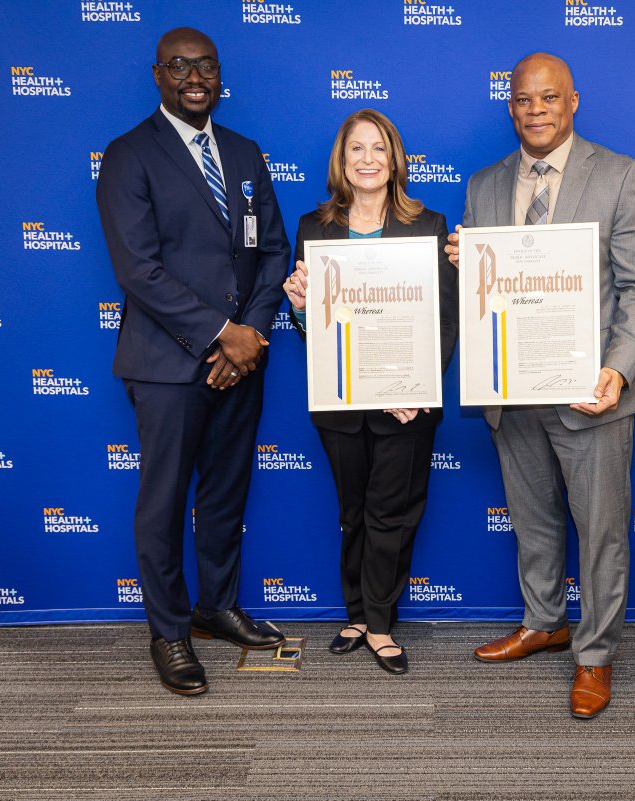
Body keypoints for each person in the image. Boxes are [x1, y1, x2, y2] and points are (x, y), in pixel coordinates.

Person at [445, 53, 635, 718]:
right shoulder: (484, 185)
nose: (535, 110)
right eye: (523, 99)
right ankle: (544, 621)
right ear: (509, 106)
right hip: (512, 394)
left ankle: (594, 657)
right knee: (535, 523)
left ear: (574, 101)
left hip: (590, 395)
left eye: (548, 98)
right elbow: (490, 295)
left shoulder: (621, 176)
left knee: (599, 534)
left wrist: (617, 368)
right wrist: (465, 266)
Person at [96, 27, 291, 696]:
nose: (194, 76)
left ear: (219, 73)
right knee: (164, 501)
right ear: (158, 75)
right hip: (165, 364)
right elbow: (138, 270)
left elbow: (273, 253)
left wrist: (249, 338)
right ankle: (170, 629)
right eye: (179, 66)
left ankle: (217, 605)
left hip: (240, 363)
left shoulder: (242, 153)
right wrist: (219, 335)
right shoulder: (129, 155)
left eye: (205, 65)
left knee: (225, 492)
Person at [282, 109, 457, 675]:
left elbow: (445, 318)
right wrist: (299, 307)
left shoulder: (428, 224)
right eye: (356, 149)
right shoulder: (315, 227)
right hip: (340, 401)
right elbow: (311, 329)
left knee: (391, 513)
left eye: (378, 148)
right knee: (353, 513)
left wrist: (419, 385)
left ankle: (380, 623)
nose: (367, 160)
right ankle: (355, 612)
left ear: (394, 158)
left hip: (407, 402)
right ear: (342, 159)